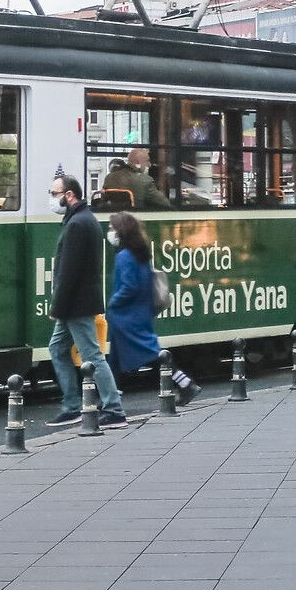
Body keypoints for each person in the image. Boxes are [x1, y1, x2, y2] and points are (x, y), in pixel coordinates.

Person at [45, 174, 127, 429]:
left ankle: (114, 409)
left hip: (76, 304)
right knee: (57, 349)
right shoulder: (83, 219)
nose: (53, 198)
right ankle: (71, 405)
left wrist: (57, 307)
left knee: (92, 354)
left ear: (69, 195)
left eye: (55, 193)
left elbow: (68, 272)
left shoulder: (77, 224)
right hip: (77, 302)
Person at [104, 212, 202, 404]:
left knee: (151, 353)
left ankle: (185, 383)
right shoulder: (140, 253)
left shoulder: (124, 256)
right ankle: (110, 397)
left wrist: (113, 302)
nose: (109, 232)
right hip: (139, 312)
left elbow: (129, 286)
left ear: (121, 231)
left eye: (111, 228)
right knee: (115, 359)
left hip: (126, 316)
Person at [102, 148, 171, 209]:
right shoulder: (145, 180)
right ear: (138, 163)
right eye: (147, 161)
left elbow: (103, 200)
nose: (149, 164)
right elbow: (165, 204)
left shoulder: (109, 177)